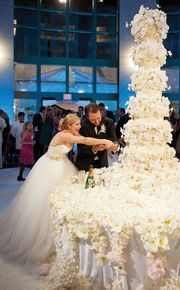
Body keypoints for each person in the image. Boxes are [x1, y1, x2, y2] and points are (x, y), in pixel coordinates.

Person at [0, 114, 117, 266]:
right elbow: (85, 140)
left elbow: (86, 142)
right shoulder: (64, 135)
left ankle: (64, 237)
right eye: (76, 124)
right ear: (69, 126)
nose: (79, 126)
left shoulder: (71, 133)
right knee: (46, 202)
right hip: (50, 168)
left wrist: (100, 146)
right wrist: (105, 140)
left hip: (62, 165)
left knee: (65, 201)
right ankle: (45, 238)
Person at [75, 104, 117, 171]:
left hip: (102, 161)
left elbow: (113, 138)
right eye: (93, 120)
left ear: (101, 113)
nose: (97, 122)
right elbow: (81, 148)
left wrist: (113, 145)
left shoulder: (109, 122)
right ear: (87, 116)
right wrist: (95, 148)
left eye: (98, 118)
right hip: (85, 162)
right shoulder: (81, 126)